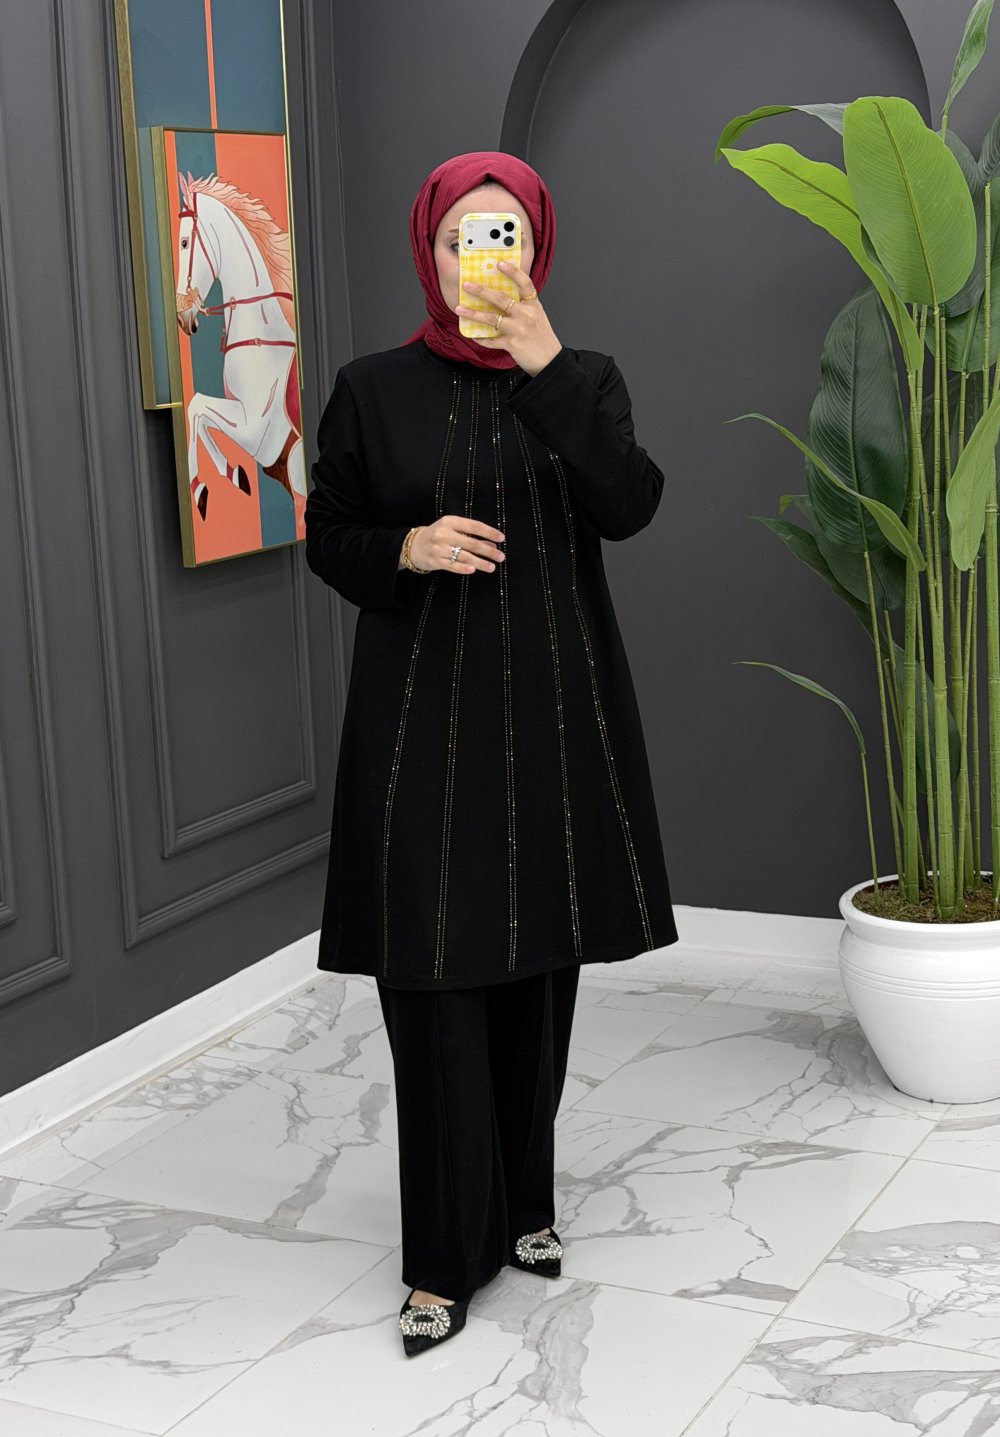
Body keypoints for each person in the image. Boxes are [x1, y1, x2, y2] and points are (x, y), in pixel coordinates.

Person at [304, 151, 679, 1357]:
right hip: (420, 727)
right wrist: (404, 550)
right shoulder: (371, 390)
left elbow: (629, 503)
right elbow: (329, 534)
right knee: (431, 988)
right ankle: (438, 1261)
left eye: (504, 231)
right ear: (429, 248)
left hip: (551, 721)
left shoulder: (585, 378)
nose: (484, 253)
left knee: (537, 977)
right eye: (463, 232)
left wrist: (545, 366)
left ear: (538, 247)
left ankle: (524, 1208)